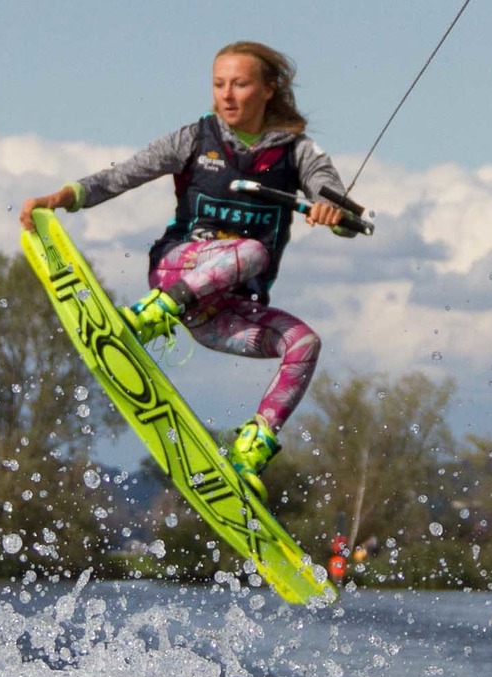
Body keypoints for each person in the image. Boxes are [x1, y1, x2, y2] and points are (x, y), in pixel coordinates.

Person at [20, 41, 356, 500]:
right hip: (176, 272)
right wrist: (60, 198)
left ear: (268, 89)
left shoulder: (298, 152)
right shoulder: (195, 139)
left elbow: (336, 201)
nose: (227, 95)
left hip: (220, 312)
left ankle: (250, 450)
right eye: (219, 84)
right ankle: (147, 317)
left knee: (304, 343)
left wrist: (334, 213)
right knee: (253, 251)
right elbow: (122, 175)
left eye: (240, 84)